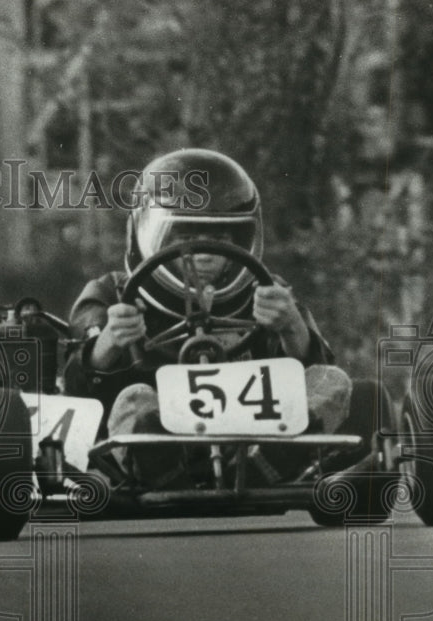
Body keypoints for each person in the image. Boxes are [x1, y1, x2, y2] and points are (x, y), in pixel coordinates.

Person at [63, 148, 352, 489]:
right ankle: (166, 471)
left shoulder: (267, 292)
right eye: (186, 240)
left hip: (254, 434)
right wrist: (109, 342)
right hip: (159, 431)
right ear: (148, 236)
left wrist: (291, 327)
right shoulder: (110, 294)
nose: (203, 254)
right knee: (134, 400)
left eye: (218, 240)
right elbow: (73, 385)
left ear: (240, 239)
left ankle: (261, 466)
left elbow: (313, 370)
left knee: (335, 382)